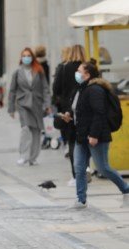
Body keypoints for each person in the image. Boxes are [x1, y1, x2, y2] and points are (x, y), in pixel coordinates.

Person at [66, 62, 129, 209]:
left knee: (103, 168)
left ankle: (126, 189)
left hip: (96, 136)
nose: (76, 73)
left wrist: (94, 135)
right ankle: (81, 200)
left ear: (87, 74)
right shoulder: (81, 88)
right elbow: (81, 111)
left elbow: (99, 113)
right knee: (79, 167)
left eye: (79, 71)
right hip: (81, 136)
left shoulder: (95, 90)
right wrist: (69, 115)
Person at [8, 47, 51, 166]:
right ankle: (23, 155)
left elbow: (45, 88)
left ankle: (33, 157)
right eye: (24, 56)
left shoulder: (39, 70)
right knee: (26, 128)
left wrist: (47, 104)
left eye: (28, 55)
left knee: (36, 130)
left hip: (37, 103)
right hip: (23, 104)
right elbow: (12, 91)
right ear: (21, 58)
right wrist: (11, 109)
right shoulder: (17, 72)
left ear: (32, 57)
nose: (26, 58)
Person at [53, 45, 87, 186]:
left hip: (68, 109)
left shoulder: (64, 68)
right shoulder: (87, 67)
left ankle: (76, 175)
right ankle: (86, 169)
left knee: (72, 141)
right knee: (85, 140)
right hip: (86, 106)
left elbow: (56, 89)